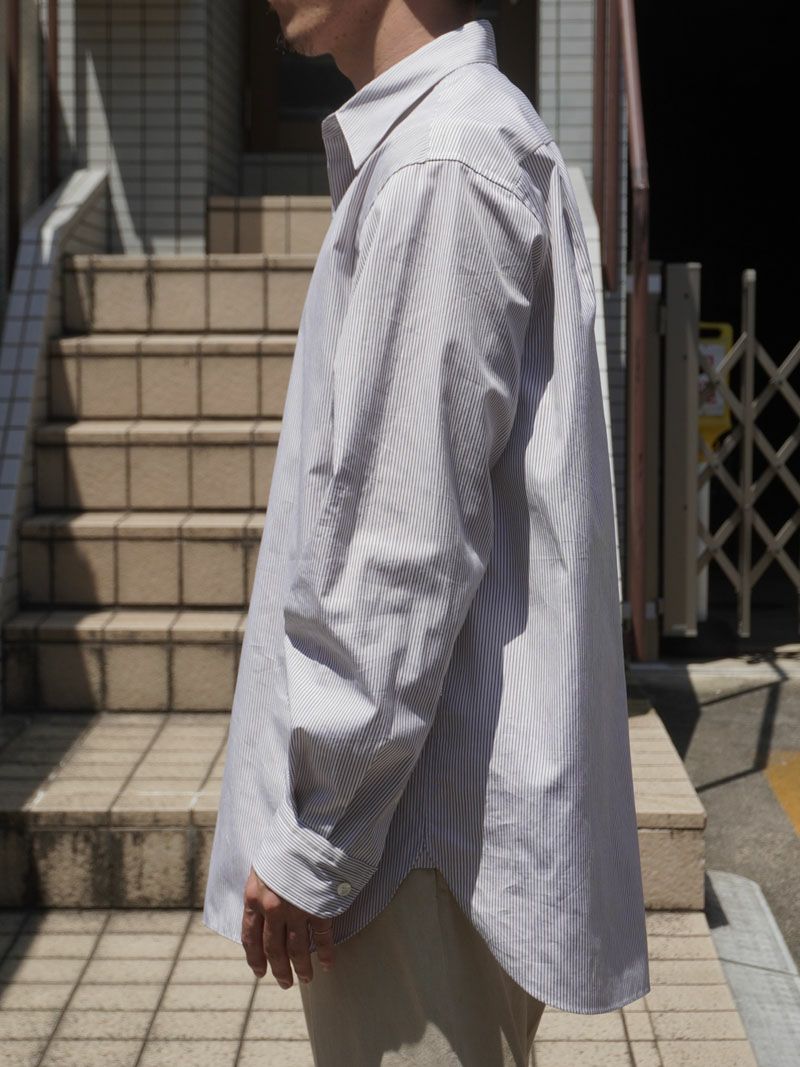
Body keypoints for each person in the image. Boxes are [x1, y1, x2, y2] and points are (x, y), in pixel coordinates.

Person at [202, 1, 651, 1063]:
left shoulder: (441, 158)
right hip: (426, 831)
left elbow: (405, 545)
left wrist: (317, 835)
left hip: (414, 843)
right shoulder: (457, 139)